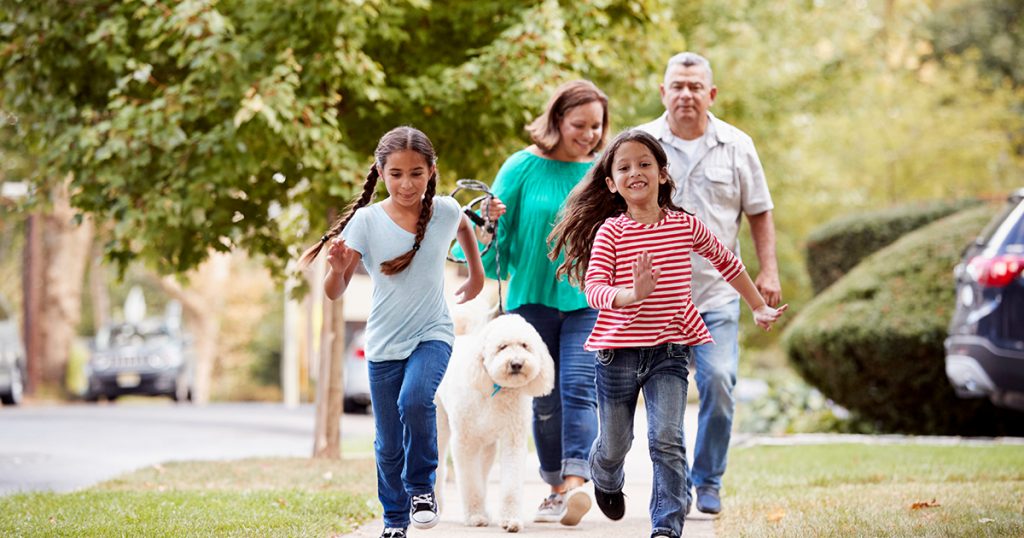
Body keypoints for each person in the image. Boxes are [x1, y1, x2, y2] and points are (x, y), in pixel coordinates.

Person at [548, 129, 787, 538]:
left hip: (670, 350)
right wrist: (632, 294)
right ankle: (605, 475)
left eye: (644, 164)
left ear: (662, 173)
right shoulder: (611, 232)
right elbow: (595, 289)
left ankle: (666, 526)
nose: (635, 172)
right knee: (615, 444)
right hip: (617, 353)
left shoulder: (684, 226)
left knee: (667, 440)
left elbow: (727, 262)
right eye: (624, 167)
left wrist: (757, 304)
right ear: (611, 183)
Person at [298, 126, 485, 538]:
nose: (407, 183)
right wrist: (336, 267)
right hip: (383, 344)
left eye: (416, 173)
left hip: (433, 332)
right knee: (387, 443)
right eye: (396, 173)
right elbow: (334, 293)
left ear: (431, 170)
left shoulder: (445, 211)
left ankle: (422, 489)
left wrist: (476, 276)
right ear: (380, 172)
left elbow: (467, 229)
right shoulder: (366, 221)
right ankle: (394, 520)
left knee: (416, 400)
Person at [637, 51, 782, 515]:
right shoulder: (641, 146)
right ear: (663, 92)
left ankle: (709, 479)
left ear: (711, 93)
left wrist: (768, 270)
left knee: (719, 381)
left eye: (695, 86)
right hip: (657, 300)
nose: (685, 94)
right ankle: (673, 488)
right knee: (662, 401)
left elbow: (759, 209)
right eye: (676, 85)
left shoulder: (738, 145)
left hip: (719, 294)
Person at [471, 79, 609, 526]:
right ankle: (553, 487)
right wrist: (488, 222)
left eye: (596, 126)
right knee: (545, 399)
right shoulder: (521, 167)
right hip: (531, 299)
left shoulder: (602, 172)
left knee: (578, 388)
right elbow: (495, 241)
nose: (589, 135)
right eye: (579, 124)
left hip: (587, 297)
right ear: (557, 120)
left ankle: (574, 485)